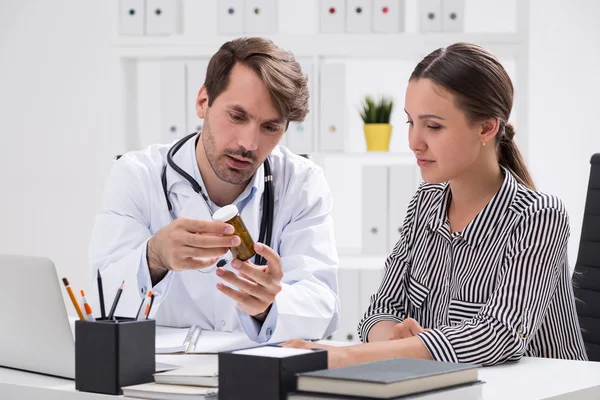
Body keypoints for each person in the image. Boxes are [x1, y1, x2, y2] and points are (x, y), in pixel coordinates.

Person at [283, 42, 587, 367]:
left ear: (486, 127)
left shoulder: (538, 215)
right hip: (447, 386)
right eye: (410, 122)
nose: (415, 142)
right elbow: (380, 311)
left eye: (433, 126)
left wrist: (348, 356)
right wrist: (395, 339)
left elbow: (500, 334)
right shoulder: (426, 202)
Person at [89, 37, 339, 343]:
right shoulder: (137, 175)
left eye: (270, 128)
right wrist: (154, 257)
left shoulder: (301, 184)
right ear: (203, 101)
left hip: (252, 376)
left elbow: (323, 310)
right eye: (237, 116)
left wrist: (269, 304)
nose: (248, 144)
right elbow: (101, 301)